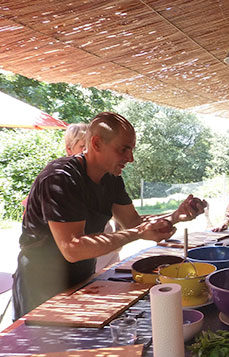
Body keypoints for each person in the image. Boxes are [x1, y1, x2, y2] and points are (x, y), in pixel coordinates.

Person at [12, 112, 207, 319]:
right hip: (41, 287)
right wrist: (138, 233)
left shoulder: (111, 179)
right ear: (96, 143)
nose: (130, 158)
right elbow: (73, 248)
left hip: (82, 280)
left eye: (131, 150)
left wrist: (176, 216)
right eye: (123, 149)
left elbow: (134, 223)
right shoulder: (61, 178)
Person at [64, 122, 121, 272]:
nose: (89, 151)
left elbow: (124, 217)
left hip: (107, 254)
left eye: (93, 145)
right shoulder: (61, 179)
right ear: (69, 149)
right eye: (83, 146)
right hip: (75, 264)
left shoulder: (108, 176)